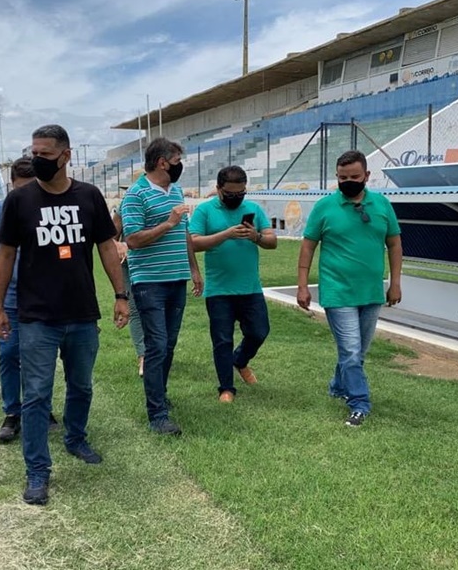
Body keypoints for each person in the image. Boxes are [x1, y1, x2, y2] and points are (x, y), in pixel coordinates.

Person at [0, 124, 129, 506]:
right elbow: (5, 254)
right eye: (33, 153)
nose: (37, 160)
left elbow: (107, 247)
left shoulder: (89, 196)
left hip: (82, 314)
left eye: (45, 155)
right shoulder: (20, 201)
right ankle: (37, 470)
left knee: (81, 386)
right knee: (36, 395)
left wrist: (120, 295)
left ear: (66, 156)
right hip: (36, 317)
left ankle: (75, 438)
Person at [297, 150, 402, 427]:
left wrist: (395, 283)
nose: (348, 182)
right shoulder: (325, 207)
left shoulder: (382, 205)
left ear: (367, 175)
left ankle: (338, 385)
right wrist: (302, 285)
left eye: (354, 177)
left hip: (371, 292)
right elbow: (308, 246)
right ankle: (359, 403)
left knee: (356, 352)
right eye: (343, 178)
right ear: (337, 177)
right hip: (337, 291)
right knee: (352, 352)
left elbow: (394, 244)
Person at [120, 137, 203, 436]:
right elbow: (132, 239)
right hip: (149, 281)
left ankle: (160, 394)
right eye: (178, 161)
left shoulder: (176, 191)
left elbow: (184, 233)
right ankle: (157, 414)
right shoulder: (135, 195)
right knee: (156, 344)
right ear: (162, 162)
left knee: (168, 343)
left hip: (176, 278)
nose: (181, 166)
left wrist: (194, 269)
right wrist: (168, 223)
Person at [0, 156, 58, 443]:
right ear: (11, 185)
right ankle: (12, 412)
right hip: (10, 297)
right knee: (9, 353)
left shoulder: (49, 210)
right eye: (20, 189)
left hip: (42, 296)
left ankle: (41, 408)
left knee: (40, 357)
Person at [189, 166, 277, 402]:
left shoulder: (254, 209)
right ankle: (226, 388)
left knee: (259, 332)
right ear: (218, 189)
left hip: (250, 287)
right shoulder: (205, 211)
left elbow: (272, 241)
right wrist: (225, 234)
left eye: (241, 193)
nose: (236, 198)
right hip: (219, 289)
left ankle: (240, 360)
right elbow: (193, 242)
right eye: (230, 194)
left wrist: (256, 237)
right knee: (222, 340)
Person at [111, 207, 145, 377]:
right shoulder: (125, 205)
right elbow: (110, 238)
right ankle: (143, 356)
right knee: (135, 309)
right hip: (130, 264)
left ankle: (159, 353)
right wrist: (119, 246)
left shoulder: (166, 200)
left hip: (158, 265)